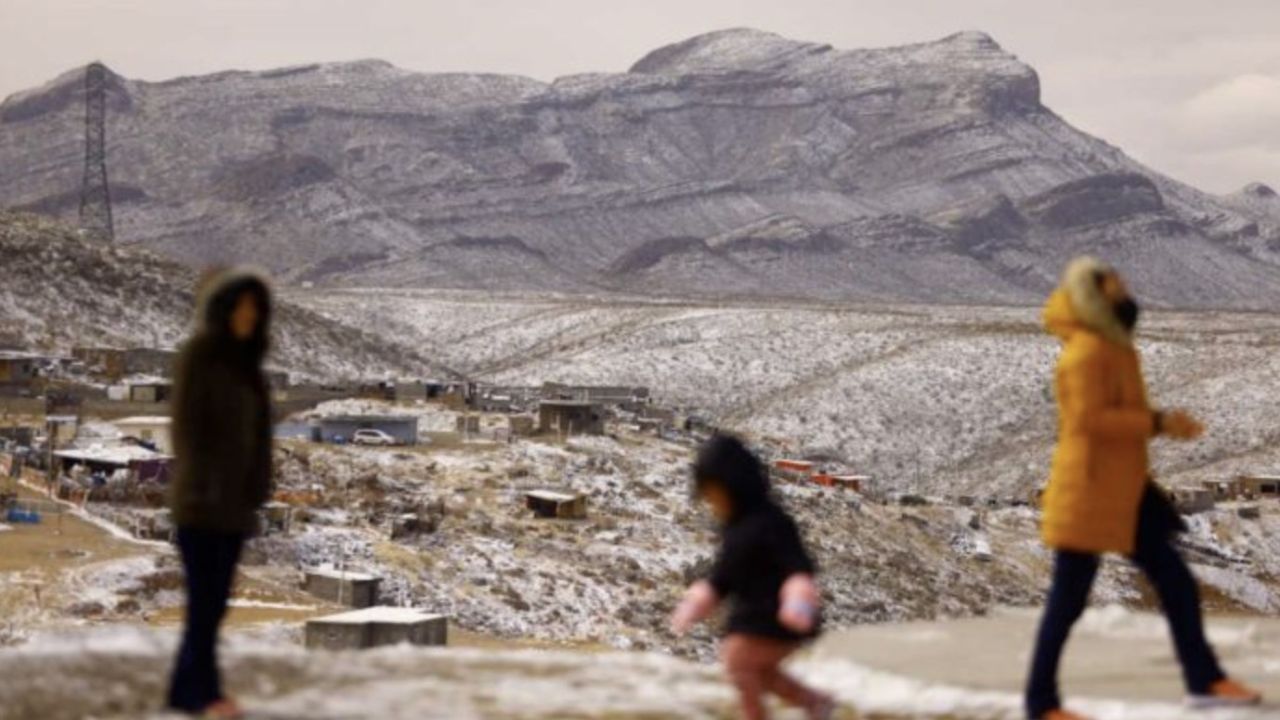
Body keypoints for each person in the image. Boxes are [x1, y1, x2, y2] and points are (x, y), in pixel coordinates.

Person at [1026, 257, 1262, 720]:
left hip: (1124, 489)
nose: (1128, 289)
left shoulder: (1111, 347)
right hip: (1091, 493)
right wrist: (1159, 422)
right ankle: (1041, 703)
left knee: (1174, 581)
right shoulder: (1088, 352)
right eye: (1117, 285)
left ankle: (1204, 679)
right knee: (1069, 600)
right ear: (1097, 297)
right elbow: (1088, 421)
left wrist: (1155, 425)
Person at [167, 268, 275, 719]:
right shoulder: (201, 357)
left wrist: (256, 489)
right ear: (223, 309)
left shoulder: (248, 367)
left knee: (214, 605)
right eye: (240, 306)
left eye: (255, 307)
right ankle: (201, 694)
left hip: (233, 508)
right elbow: (186, 429)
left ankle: (187, 690)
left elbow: (260, 437)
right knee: (205, 604)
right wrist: (205, 483)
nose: (247, 315)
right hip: (200, 504)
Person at [671, 434, 835, 720]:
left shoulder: (772, 522)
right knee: (762, 673)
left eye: (713, 494)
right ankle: (814, 702)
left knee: (737, 659)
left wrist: (797, 598)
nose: (712, 503)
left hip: (778, 616)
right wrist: (698, 602)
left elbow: (797, 567)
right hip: (751, 615)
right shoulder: (734, 530)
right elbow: (723, 576)